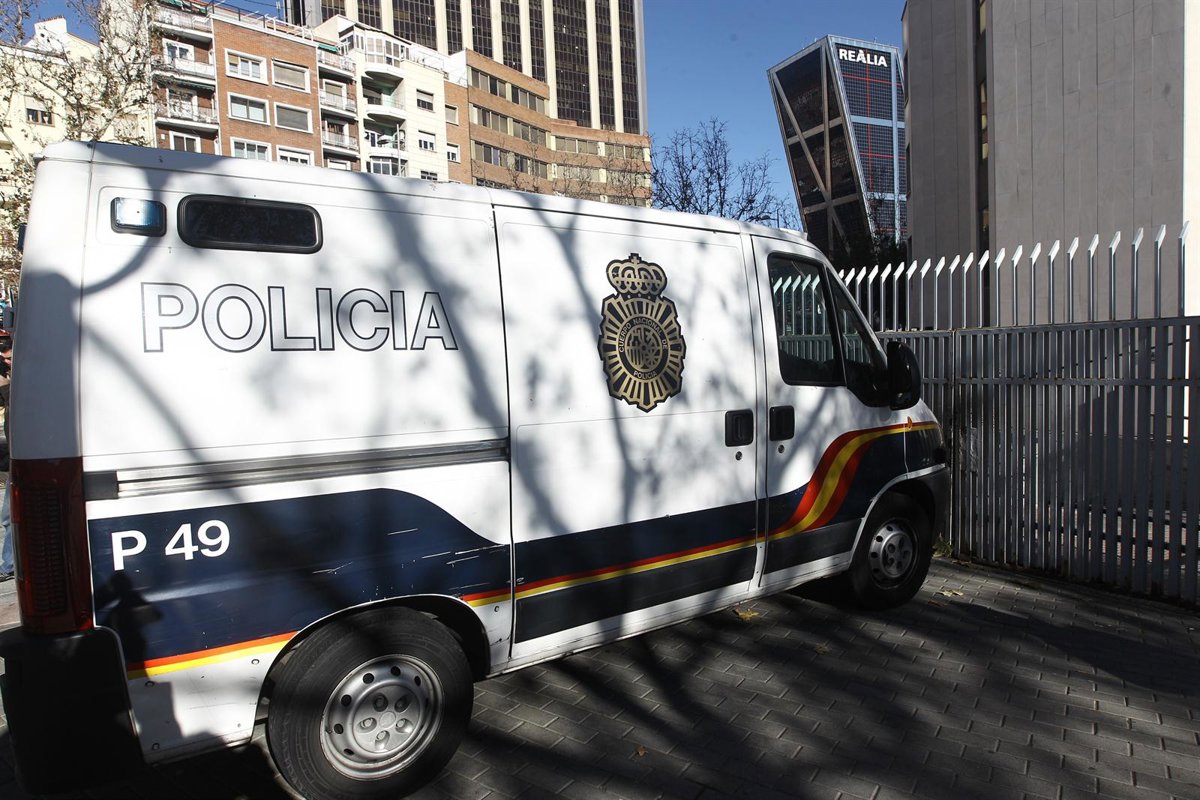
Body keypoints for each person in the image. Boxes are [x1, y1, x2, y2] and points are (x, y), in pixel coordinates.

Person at [0, 338, 12, 581]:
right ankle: (9, 563)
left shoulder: (28, 379)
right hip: (15, 459)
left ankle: (9, 564)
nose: (7, 362)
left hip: (28, 460)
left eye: (10, 358)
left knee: (10, 515)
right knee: (8, 516)